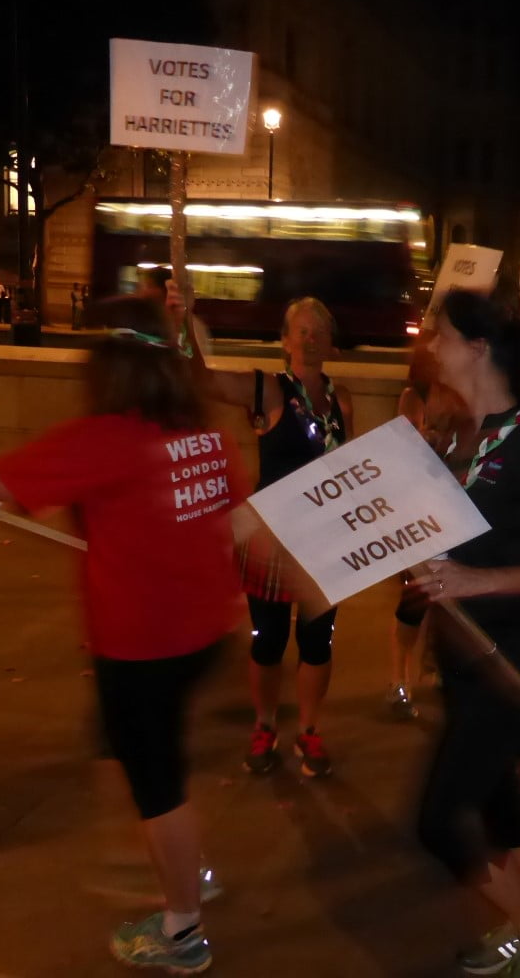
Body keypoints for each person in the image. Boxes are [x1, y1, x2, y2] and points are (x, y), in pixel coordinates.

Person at [0, 295, 244, 974]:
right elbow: (232, 519)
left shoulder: (105, 439)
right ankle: (182, 872)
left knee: (159, 783)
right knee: (140, 754)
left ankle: (182, 928)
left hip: (142, 643)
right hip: (200, 632)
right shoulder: (205, 438)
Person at [407, 289, 520, 978]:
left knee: (437, 822)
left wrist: (472, 581)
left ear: (478, 349)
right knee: (502, 809)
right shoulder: (467, 437)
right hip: (467, 656)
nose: (431, 345)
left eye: (442, 334)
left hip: (511, 662)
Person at [174, 287, 352, 777]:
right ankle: (265, 725)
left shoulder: (342, 401)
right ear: (285, 342)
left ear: (331, 342)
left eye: (319, 332)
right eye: (302, 331)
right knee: (268, 641)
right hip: (270, 540)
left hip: (322, 542)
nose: (311, 339)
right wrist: (183, 320)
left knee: (318, 642)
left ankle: (309, 731)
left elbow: (350, 471)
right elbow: (199, 379)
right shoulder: (269, 390)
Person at [389, 329, 472, 720]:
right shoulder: (413, 397)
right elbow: (400, 449)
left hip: (454, 506)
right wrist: (423, 439)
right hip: (419, 509)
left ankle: (438, 667)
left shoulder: (463, 397)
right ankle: (399, 681)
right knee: (414, 599)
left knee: (449, 597)